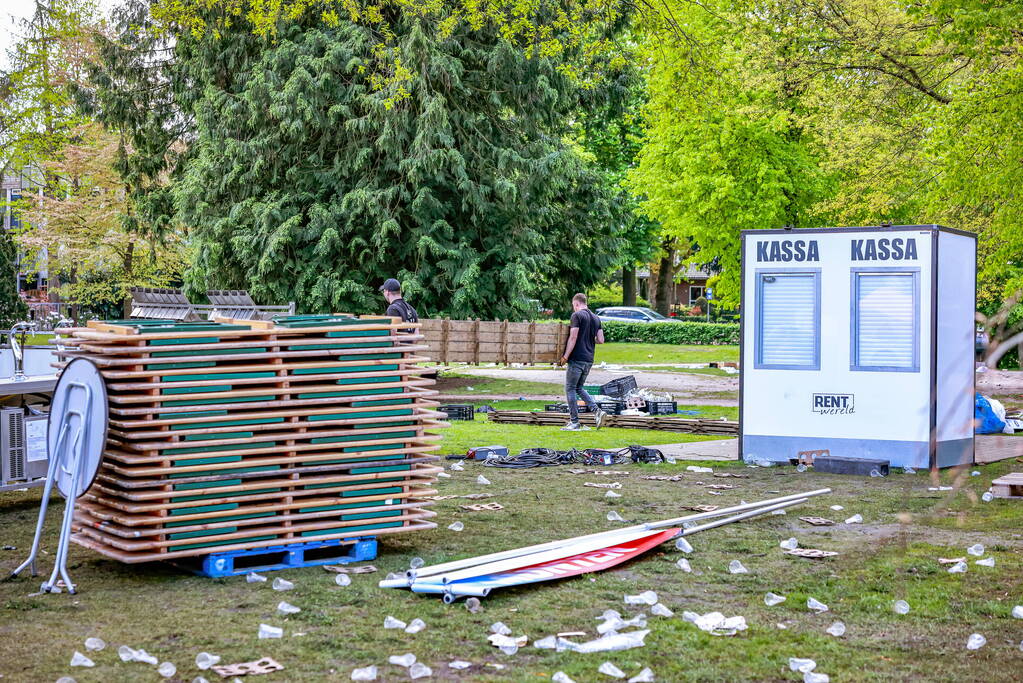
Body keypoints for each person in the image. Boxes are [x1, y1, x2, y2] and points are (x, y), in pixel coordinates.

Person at [559, 292, 606, 431]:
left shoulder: (577, 315)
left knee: (570, 388)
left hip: (577, 358)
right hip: (589, 359)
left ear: (577, 303)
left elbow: (573, 337)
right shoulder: (596, 318)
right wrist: (589, 338)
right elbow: (601, 340)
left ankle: (574, 422)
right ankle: (597, 411)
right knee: (579, 387)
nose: (574, 308)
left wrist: (565, 356)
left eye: (574, 306)